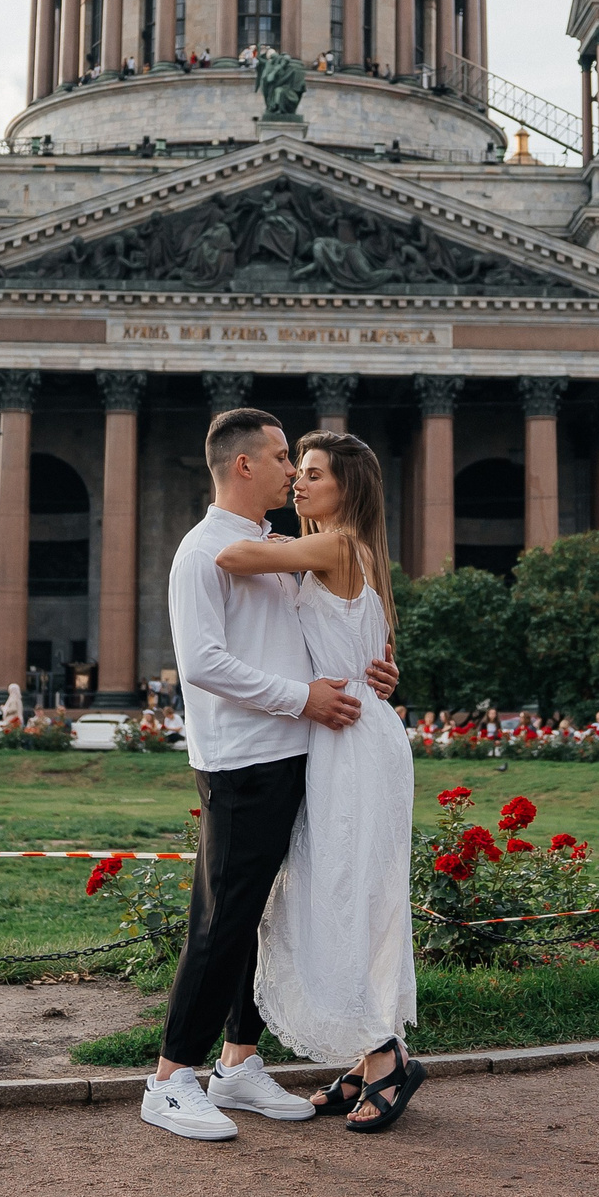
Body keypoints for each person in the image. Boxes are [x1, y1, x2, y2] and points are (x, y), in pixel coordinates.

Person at [140, 407, 400, 1144]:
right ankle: (169, 1078)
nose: (293, 471)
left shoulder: (276, 544)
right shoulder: (204, 551)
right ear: (244, 465)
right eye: (285, 457)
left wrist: (366, 668)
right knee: (221, 921)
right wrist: (306, 697)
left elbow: (317, 629)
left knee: (261, 914)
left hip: (295, 751)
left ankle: (238, 1062)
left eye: (304, 463)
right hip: (244, 757)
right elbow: (204, 666)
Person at [217, 427, 425, 1132]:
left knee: (345, 897)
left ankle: (385, 1057)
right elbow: (372, 655)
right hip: (356, 730)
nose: (299, 484)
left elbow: (232, 553)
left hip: (351, 739)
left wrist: (261, 533)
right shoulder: (351, 549)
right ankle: (372, 1055)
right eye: (296, 471)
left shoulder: (335, 543)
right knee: (348, 894)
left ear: (346, 489)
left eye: (313, 474)